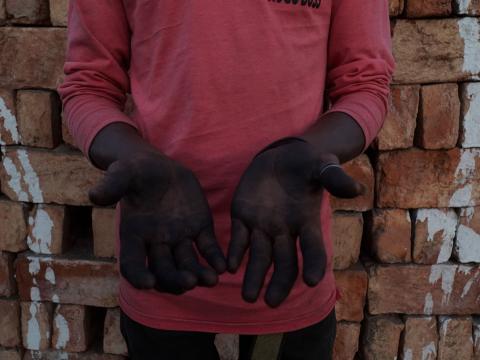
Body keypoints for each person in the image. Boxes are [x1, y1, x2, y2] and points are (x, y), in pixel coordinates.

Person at [58, 1, 395, 359]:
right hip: (162, 259)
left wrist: (305, 152)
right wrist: (135, 158)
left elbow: (366, 83)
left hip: (285, 260)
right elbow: (88, 85)